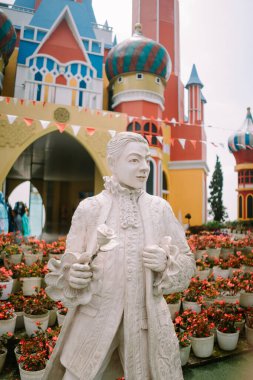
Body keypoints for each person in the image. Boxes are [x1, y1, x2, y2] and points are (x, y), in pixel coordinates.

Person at [43, 132, 196, 380]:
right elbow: (68, 263)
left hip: (146, 321)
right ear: (112, 163)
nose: (144, 168)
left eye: (146, 160)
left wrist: (166, 264)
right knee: (75, 375)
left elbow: (188, 263)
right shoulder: (90, 208)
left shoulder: (160, 209)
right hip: (95, 317)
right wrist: (74, 275)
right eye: (134, 160)